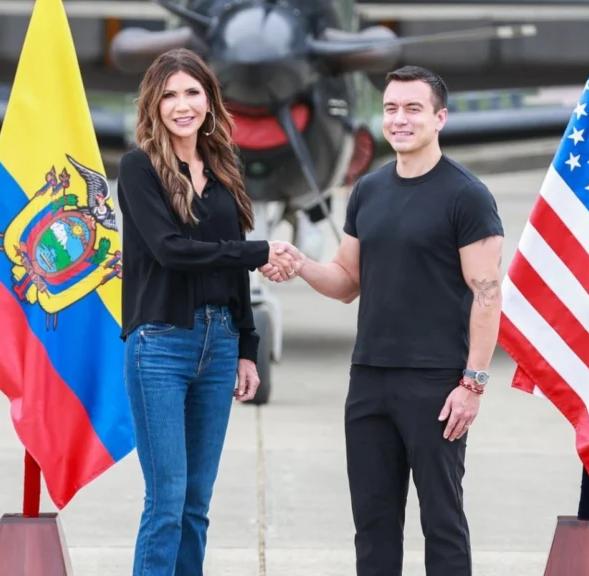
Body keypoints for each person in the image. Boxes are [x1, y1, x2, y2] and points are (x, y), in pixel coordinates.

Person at [261, 65, 505, 576]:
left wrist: (472, 384)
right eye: (391, 108)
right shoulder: (368, 191)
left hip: (436, 383)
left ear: (440, 118)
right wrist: (301, 264)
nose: (399, 119)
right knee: (372, 526)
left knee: (442, 521)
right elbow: (346, 280)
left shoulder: (467, 195)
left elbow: (487, 294)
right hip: (369, 378)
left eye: (413, 108)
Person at [116, 48, 297, 576]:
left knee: (196, 504)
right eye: (169, 95)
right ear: (153, 105)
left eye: (192, 92)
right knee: (166, 502)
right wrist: (258, 252)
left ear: (210, 101)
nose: (182, 105)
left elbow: (232, 266)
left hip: (219, 346)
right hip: (160, 345)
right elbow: (171, 250)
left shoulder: (223, 168)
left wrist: (247, 347)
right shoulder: (139, 168)